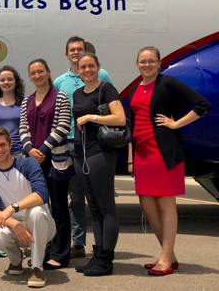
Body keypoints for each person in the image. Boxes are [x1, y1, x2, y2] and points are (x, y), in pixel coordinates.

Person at [128, 46, 212, 276]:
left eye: (151, 61)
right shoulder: (137, 88)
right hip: (142, 154)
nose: (147, 65)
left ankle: (165, 259)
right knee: (147, 205)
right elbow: (132, 124)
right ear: (137, 63)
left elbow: (202, 105)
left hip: (162, 151)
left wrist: (176, 124)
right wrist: (130, 158)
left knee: (166, 205)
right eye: (142, 61)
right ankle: (170, 255)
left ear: (159, 62)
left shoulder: (167, 83)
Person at [53, 36, 113, 259]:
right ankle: (78, 243)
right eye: (72, 50)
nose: (76, 53)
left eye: (80, 49)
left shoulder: (102, 75)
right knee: (75, 197)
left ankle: (103, 246)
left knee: (96, 197)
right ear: (66, 54)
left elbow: (111, 105)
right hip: (67, 141)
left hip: (94, 143)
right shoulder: (60, 81)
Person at [72, 53, 126, 276]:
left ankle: (106, 260)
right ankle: (97, 256)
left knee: (106, 208)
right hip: (81, 153)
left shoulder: (106, 90)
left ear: (98, 67)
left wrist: (92, 117)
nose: (87, 70)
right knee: (93, 207)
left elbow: (120, 118)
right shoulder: (77, 93)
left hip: (100, 152)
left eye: (91, 66)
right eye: (83, 67)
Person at [0, 127, 56, 288]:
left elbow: (41, 195)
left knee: (35, 211)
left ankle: (37, 267)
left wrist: (12, 208)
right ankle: (16, 261)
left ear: (10, 145)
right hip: (15, 227)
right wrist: (15, 224)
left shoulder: (28, 163)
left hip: (42, 225)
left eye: (2, 144)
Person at [19, 59, 73, 269]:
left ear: (48, 72)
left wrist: (42, 149)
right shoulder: (26, 101)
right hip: (33, 161)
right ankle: (42, 250)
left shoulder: (60, 97)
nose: (37, 75)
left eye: (41, 71)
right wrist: (29, 149)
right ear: (30, 76)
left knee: (59, 208)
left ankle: (60, 254)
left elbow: (63, 126)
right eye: (33, 73)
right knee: (40, 209)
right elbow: (22, 127)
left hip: (55, 160)